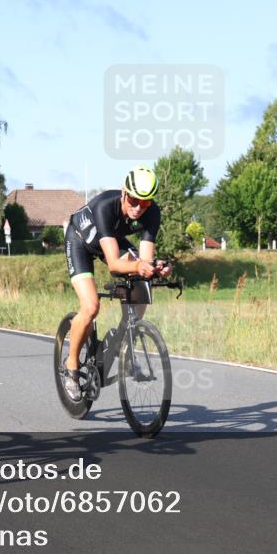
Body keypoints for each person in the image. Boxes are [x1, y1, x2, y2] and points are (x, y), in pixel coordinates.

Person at [62, 165, 173, 400]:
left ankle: (126, 344)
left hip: (111, 240)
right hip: (80, 241)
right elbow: (113, 264)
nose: (138, 208)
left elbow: (144, 259)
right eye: (134, 200)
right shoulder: (105, 206)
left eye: (145, 203)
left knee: (143, 282)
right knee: (91, 306)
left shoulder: (152, 213)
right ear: (124, 193)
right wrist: (138, 266)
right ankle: (71, 367)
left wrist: (156, 267)